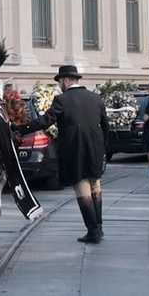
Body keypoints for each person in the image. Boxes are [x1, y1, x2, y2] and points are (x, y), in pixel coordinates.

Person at [43, 64, 107, 243]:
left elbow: (46, 120)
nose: (60, 85)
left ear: (65, 80)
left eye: (60, 81)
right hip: (95, 149)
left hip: (75, 150)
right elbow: (106, 125)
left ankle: (93, 231)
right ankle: (99, 227)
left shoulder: (62, 100)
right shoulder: (96, 98)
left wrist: (22, 128)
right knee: (95, 187)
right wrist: (102, 147)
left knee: (82, 189)